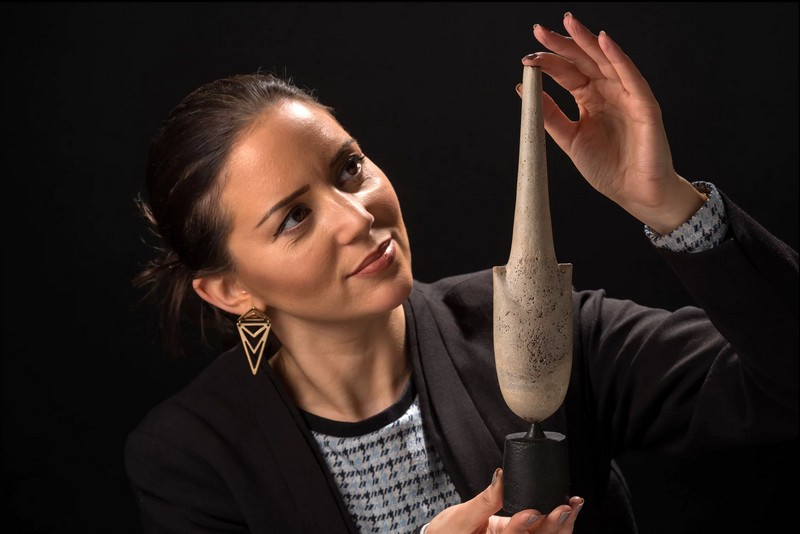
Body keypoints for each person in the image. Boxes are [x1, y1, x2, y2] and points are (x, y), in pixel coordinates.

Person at [124, 12, 798, 534]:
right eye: (294, 217)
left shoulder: (537, 329)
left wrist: (668, 203)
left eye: (349, 168)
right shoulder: (191, 456)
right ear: (231, 289)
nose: (357, 217)